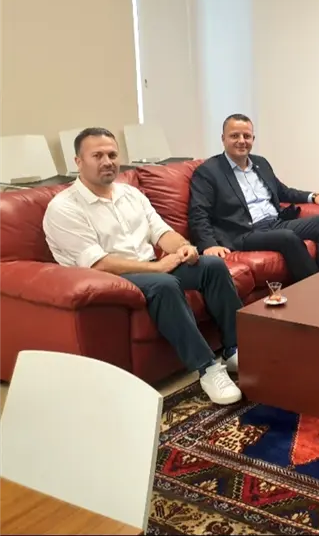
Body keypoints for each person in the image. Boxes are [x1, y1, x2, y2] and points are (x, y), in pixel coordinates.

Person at [43, 128, 243, 405]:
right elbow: (98, 263)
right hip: (110, 278)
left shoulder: (130, 194)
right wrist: (160, 268)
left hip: (149, 266)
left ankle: (234, 349)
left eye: (112, 155)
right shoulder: (64, 207)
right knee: (164, 284)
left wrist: (183, 247)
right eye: (97, 156)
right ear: (78, 161)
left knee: (212, 266)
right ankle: (208, 369)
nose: (107, 162)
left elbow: (161, 232)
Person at [188, 114, 319, 285]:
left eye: (247, 136)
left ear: (253, 139)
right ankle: (317, 288)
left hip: (275, 223)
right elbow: (198, 212)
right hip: (243, 232)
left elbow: (282, 191)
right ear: (223, 138)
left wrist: (313, 196)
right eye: (234, 136)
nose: (241, 141)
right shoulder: (209, 171)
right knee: (287, 237)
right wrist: (209, 244)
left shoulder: (260, 163)